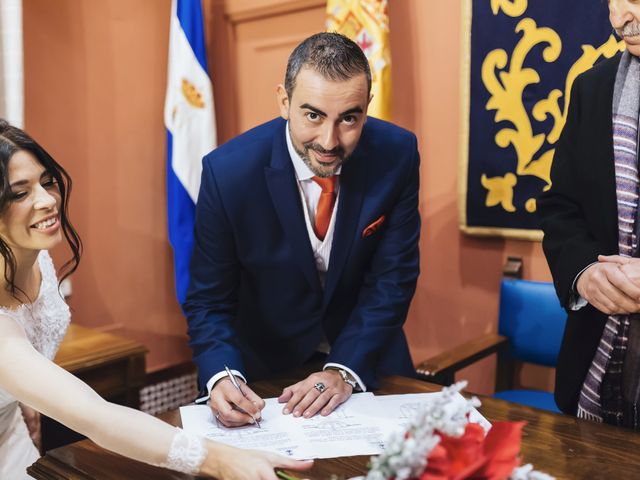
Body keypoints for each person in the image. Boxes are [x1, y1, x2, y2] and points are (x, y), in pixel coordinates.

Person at [0, 120, 313, 479]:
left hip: (12, 437)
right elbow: (98, 417)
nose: (47, 200)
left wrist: (23, 394)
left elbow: (24, 351)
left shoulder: (33, 252)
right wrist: (221, 460)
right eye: (19, 193)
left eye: (47, 181)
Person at [183, 32, 420, 428]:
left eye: (349, 118)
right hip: (262, 370)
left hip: (366, 361)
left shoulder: (397, 154)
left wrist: (343, 369)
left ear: (367, 108)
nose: (329, 141)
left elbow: (392, 280)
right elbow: (209, 300)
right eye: (313, 115)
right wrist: (224, 375)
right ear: (283, 101)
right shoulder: (228, 173)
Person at [538, 0, 640, 427]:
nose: (619, 19)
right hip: (597, 372)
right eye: (613, 2)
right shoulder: (592, 88)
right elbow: (560, 206)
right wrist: (584, 273)